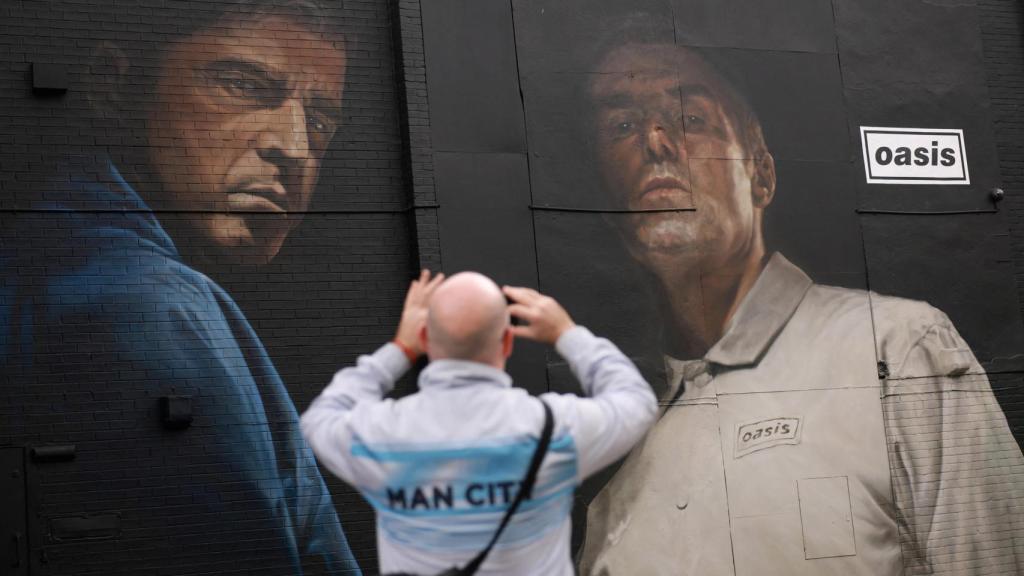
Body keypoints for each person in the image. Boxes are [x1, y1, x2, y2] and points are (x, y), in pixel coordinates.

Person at [578, 41, 1024, 576]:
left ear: (761, 174)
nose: (655, 141)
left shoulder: (900, 347)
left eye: (689, 117)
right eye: (622, 127)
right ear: (607, 207)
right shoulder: (616, 497)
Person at [0, 1, 358, 574]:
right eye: (241, 85)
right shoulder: (155, 305)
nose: (294, 148)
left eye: (319, 120)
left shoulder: (42, 254)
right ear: (114, 88)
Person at [301, 270, 657, 575]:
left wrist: (400, 348)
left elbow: (319, 418)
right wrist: (567, 333)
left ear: (425, 337)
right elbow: (637, 401)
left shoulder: (381, 436)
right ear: (506, 342)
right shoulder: (555, 431)